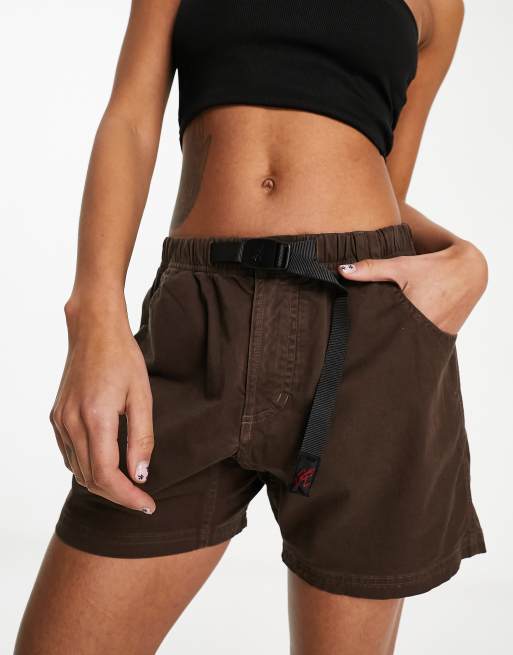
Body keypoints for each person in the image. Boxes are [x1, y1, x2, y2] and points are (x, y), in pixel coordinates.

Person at [15, 1, 487, 653]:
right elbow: (129, 121)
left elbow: (386, 181)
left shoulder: (438, 7)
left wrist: (465, 259)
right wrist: (94, 313)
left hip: (363, 334)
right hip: (198, 322)